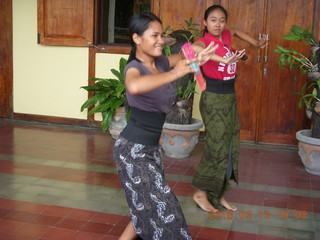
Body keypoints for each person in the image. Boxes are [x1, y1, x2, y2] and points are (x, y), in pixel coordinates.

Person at [113, 12, 215, 240]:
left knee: (144, 208)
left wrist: (203, 53)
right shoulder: (134, 67)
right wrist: (175, 74)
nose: (161, 40)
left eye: (162, 35)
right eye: (154, 35)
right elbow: (135, 87)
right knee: (167, 213)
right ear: (137, 38)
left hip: (151, 151)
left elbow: (188, 52)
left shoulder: (159, 61)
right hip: (133, 153)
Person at [191, 5, 268, 213]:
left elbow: (235, 32)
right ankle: (201, 193)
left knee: (230, 144)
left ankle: (219, 193)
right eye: (213, 20)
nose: (218, 24)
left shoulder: (225, 34)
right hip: (213, 98)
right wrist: (223, 59)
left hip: (229, 96)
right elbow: (193, 50)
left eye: (222, 20)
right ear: (205, 23)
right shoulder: (203, 42)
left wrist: (256, 43)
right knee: (216, 146)